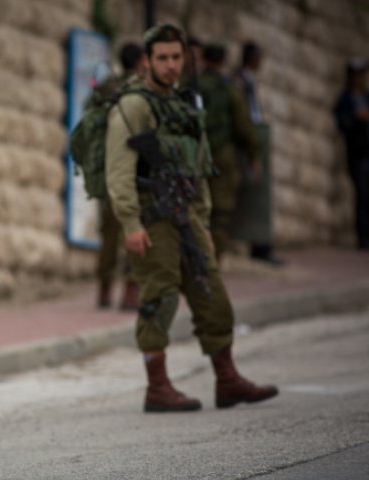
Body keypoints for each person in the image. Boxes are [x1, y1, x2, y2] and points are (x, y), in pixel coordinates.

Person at [105, 24, 278, 412]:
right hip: (152, 218)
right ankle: (158, 387)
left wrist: (203, 220)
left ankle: (228, 379)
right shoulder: (133, 106)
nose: (170, 65)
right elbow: (118, 170)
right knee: (159, 298)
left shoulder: (185, 105)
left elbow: (198, 169)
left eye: (176, 58)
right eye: (162, 58)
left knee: (212, 294)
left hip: (188, 216)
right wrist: (131, 224)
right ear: (149, 60)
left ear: (185, 60)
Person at [87, 42, 148, 309]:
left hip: (105, 169)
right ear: (139, 62)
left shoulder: (105, 87)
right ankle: (130, 292)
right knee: (133, 227)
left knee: (109, 233)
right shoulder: (141, 90)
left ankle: (104, 289)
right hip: (133, 170)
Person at [197, 43, 261, 261]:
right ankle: (214, 263)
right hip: (223, 156)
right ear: (223, 62)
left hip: (194, 155)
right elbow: (244, 126)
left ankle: (198, 263)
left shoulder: (191, 85)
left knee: (196, 212)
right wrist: (254, 156)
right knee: (221, 214)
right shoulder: (229, 89)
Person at [231, 42, 284, 265]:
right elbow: (243, 116)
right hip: (245, 142)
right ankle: (256, 245)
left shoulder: (248, 79)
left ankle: (260, 245)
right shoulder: (239, 81)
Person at [333, 59, 369, 250]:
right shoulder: (346, 100)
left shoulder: (366, 97)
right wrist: (357, 117)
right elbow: (341, 122)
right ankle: (363, 239)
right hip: (357, 154)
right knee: (362, 196)